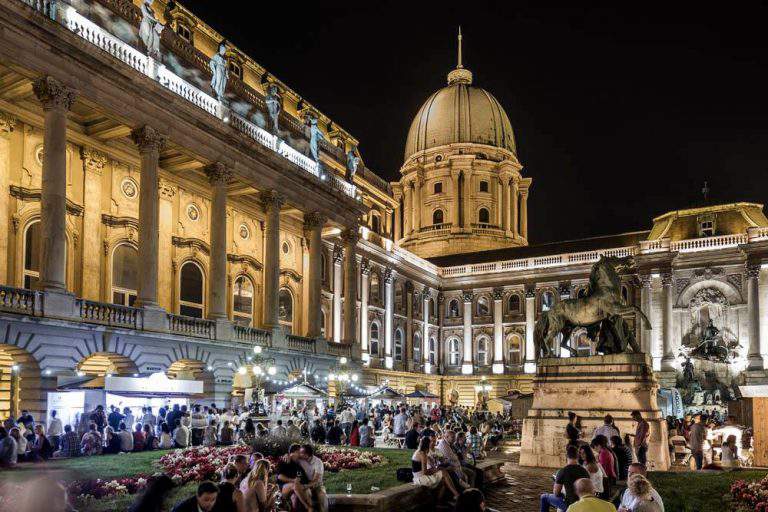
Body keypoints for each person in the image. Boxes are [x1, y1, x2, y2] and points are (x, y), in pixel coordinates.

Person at [539, 445, 590, 512]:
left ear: (566, 457)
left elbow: (556, 493)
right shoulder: (584, 471)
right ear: (577, 457)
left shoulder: (563, 471)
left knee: (544, 497)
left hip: (569, 504)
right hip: (583, 503)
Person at [412, 436, 460, 502]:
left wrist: (437, 468)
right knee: (444, 472)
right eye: (431, 442)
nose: (433, 444)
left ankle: (438, 502)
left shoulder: (419, 451)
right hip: (420, 478)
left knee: (443, 481)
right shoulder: (422, 454)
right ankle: (457, 495)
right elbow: (425, 472)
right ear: (427, 444)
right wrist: (437, 469)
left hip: (418, 476)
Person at [277, 443, 312, 512]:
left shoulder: (298, 464)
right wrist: (293, 480)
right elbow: (279, 476)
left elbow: (304, 480)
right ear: (294, 452)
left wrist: (304, 486)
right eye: (300, 452)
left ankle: (307, 508)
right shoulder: (285, 461)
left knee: (298, 496)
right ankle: (308, 507)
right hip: (283, 488)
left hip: (296, 488)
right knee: (294, 485)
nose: (301, 454)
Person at [300, 443, 327, 512]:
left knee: (322, 497)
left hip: (317, 485)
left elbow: (316, 480)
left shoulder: (318, 462)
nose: (299, 454)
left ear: (306, 455)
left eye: (301, 453)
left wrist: (306, 486)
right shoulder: (300, 461)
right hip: (304, 485)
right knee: (306, 495)